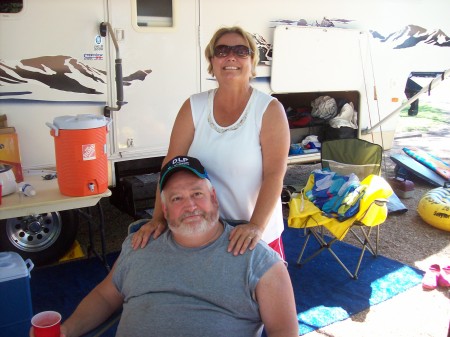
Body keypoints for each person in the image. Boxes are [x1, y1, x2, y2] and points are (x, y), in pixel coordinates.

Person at [31, 156, 298, 337]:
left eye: (197, 194)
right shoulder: (141, 244)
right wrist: (65, 331)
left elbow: (284, 332)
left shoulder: (257, 259)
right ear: (165, 210)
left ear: (214, 199)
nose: (190, 205)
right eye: (177, 198)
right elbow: (105, 296)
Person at [132, 26, 290, 258]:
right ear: (212, 60)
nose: (231, 57)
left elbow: (275, 175)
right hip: (204, 234)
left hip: (253, 234)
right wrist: (158, 218)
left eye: (241, 51)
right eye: (222, 51)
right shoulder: (194, 107)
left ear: (253, 59)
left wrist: (255, 226)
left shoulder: (268, 109)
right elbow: (169, 165)